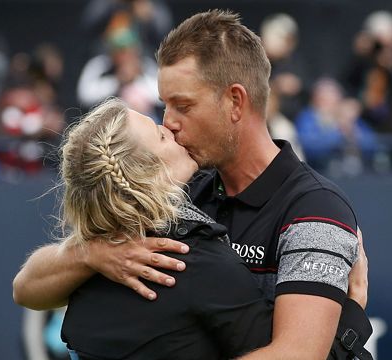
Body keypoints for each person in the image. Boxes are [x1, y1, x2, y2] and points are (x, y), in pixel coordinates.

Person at [14, 10, 372, 360]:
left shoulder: (314, 209)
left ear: (235, 102)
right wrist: (93, 253)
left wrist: (352, 322)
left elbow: (297, 354)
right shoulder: (171, 190)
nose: (168, 122)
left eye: (183, 105)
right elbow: (26, 287)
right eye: (164, 105)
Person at [49, 98, 274, 359]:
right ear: (150, 175)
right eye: (160, 136)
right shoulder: (198, 263)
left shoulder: (87, 263)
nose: (169, 127)